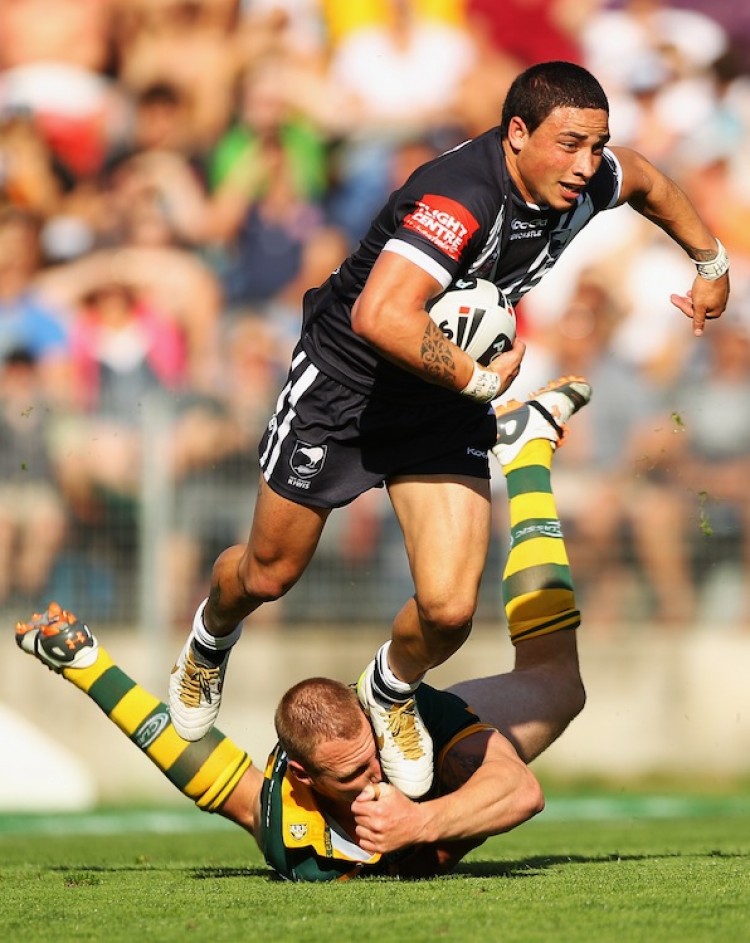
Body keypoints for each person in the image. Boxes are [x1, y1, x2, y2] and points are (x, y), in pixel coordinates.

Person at [167, 60, 730, 801]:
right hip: (348, 389)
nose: (587, 164)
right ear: (517, 133)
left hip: (442, 396)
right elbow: (379, 315)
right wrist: (480, 380)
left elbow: (649, 179)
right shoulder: (459, 198)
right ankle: (209, 637)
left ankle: (390, 688)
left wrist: (711, 261)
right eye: (569, 145)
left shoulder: (585, 178)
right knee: (269, 571)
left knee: (450, 609)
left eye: (598, 145)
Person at [16, 389, 587, 881]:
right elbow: (215, 776)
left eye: (368, 758)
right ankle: (525, 437)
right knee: (559, 685)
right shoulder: (293, 826)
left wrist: (421, 822)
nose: (373, 776)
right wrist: (86, 664)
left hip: (409, 716)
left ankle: (526, 457)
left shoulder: (401, 738)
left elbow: (521, 792)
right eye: (350, 774)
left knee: (553, 682)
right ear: (302, 776)